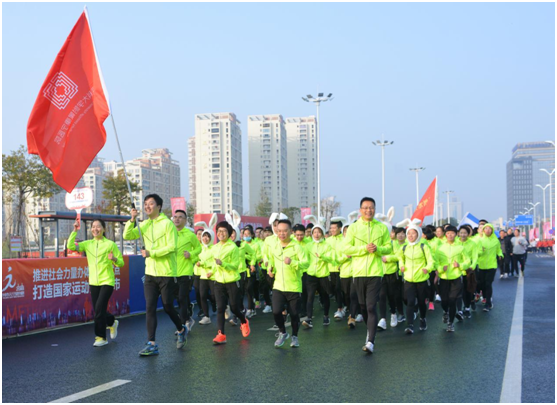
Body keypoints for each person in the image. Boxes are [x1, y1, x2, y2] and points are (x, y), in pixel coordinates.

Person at [124, 194, 187, 356]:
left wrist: (152, 253)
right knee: (150, 307)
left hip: (167, 273)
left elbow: (172, 247)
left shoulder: (167, 224)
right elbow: (127, 236)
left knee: (167, 306)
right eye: (145, 204)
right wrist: (132, 219)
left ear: (159, 206)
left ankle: (181, 329)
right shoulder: (144, 224)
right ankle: (151, 343)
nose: (147, 206)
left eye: (151, 203)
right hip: (150, 273)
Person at [343, 197, 391, 353]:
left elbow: (388, 248)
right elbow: (347, 249)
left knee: (371, 306)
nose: (368, 210)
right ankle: (369, 330)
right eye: (365, 208)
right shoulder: (353, 228)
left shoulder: (382, 228)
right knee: (363, 307)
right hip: (358, 273)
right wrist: (364, 249)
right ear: (360, 210)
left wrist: (377, 249)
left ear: (375, 209)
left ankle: (370, 341)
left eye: (371, 207)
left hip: (375, 273)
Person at [67, 219, 124, 347]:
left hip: (107, 281)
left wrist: (114, 259)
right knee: (99, 309)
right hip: (93, 281)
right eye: (93, 227)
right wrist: (75, 231)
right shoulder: (87, 244)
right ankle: (112, 322)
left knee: (99, 309)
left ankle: (101, 337)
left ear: (103, 229)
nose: (95, 229)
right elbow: (70, 246)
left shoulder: (110, 244)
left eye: (98, 226)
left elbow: (121, 262)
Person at [267, 219, 308, 348]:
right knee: (276, 311)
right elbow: (271, 261)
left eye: (285, 231)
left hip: (294, 286)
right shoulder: (275, 246)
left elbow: (306, 263)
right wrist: (270, 269)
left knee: (294, 314)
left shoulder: (297, 247)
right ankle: (283, 332)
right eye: (279, 231)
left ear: (291, 232)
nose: (282, 233)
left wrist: (292, 262)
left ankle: (295, 336)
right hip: (278, 285)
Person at [210, 221, 250, 344]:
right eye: (219, 231)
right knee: (220, 308)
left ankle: (244, 321)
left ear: (229, 233)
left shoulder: (233, 247)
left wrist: (223, 264)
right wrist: (211, 272)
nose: (221, 233)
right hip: (218, 282)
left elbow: (235, 266)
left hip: (232, 281)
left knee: (234, 308)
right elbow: (213, 263)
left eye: (224, 231)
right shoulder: (214, 247)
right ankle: (221, 335)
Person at [397, 221, 434, 334]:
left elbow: (431, 261)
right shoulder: (404, 247)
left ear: (418, 234)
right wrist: (402, 266)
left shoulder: (423, 246)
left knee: (422, 302)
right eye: (409, 233)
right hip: (408, 279)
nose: (410, 236)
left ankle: (422, 318)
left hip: (421, 278)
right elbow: (400, 258)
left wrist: (427, 268)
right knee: (410, 302)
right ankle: (410, 325)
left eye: (413, 233)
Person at [435, 225, 470, 332]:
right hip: (444, 277)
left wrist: (460, 265)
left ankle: (450, 323)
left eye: (452, 233)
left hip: (456, 277)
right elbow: (435, 262)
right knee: (444, 301)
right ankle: (446, 311)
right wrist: (441, 268)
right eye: (448, 233)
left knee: (452, 300)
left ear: (456, 234)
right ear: (445, 234)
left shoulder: (460, 248)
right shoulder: (440, 248)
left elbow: (468, 261)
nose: (450, 235)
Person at [302, 221, 336, 328]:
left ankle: (326, 316)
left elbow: (331, 258)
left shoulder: (327, 245)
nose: (316, 234)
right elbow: (305, 259)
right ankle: (309, 319)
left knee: (324, 296)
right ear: (312, 233)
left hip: (323, 275)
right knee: (310, 297)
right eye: (314, 232)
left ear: (322, 233)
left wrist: (321, 256)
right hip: (311, 275)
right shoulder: (308, 246)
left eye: (319, 232)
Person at [173, 209, 202, 333]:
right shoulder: (170, 234)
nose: (177, 219)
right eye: (175, 217)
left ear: (185, 220)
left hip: (186, 272)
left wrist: (190, 254)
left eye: (180, 217)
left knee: (182, 297)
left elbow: (199, 249)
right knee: (177, 299)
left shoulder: (190, 235)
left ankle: (183, 325)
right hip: (172, 272)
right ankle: (188, 316)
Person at [380, 227, 406, 328]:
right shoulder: (378, 244)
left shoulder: (394, 243)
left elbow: (398, 256)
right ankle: (383, 319)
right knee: (382, 295)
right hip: (380, 273)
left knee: (393, 296)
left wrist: (388, 258)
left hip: (392, 272)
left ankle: (394, 314)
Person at [476, 223, 503, 312]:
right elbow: (476, 252)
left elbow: (499, 250)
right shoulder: (480, 240)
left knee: (488, 284)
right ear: (483, 230)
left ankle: (488, 303)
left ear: (492, 230)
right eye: (486, 229)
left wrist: (500, 255)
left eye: (489, 229)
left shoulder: (496, 240)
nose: (488, 230)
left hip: (492, 265)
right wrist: (481, 251)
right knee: (482, 284)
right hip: (482, 265)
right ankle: (483, 297)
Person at [456, 225, 478, 318]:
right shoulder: (455, 242)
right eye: (461, 233)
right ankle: (459, 310)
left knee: (467, 291)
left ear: (468, 234)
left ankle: (467, 308)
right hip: (456, 271)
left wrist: (472, 267)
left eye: (465, 233)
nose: (463, 235)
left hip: (467, 271)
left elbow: (475, 257)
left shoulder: (472, 244)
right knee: (458, 291)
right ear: (458, 233)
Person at [196, 229, 217, 325]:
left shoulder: (214, 248)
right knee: (203, 296)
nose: (205, 238)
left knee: (214, 295)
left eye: (208, 236)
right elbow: (197, 259)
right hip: (203, 276)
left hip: (213, 276)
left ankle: (224, 307)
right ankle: (206, 316)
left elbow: (215, 263)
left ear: (211, 238)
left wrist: (211, 271)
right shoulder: (200, 248)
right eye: (204, 236)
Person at [327, 220, 345, 321]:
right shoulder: (328, 240)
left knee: (339, 288)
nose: (332, 230)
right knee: (335, 289)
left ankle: (340, 308)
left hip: (341, 268)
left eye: (334, 228)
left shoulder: (344, 239)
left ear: (340, 228)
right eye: (331, 228)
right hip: (330, 269)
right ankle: (342, 306)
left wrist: (341, 264)